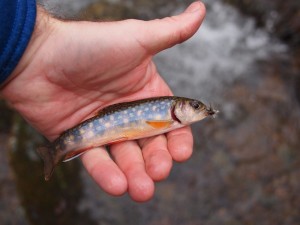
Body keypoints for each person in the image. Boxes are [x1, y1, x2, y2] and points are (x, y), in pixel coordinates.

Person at [0, 0, 206, 202]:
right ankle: (54, 151)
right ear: (178, 108)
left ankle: (55, 151)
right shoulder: (166, 117)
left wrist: (32, 47)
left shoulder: (169, 116)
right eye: (195, 106)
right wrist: (33, 46)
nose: (199, 109)